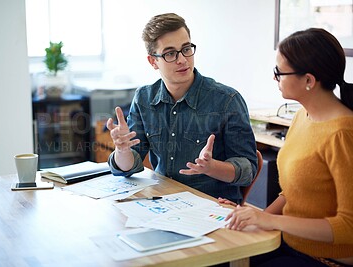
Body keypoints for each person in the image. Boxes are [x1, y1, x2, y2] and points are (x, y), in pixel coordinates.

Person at [222, 28, 353, 266]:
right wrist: (257, 216)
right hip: (289, 242)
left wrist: (271, 222)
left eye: (278, 72)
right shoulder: (303, 116)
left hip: (324, 259)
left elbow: (348, 227)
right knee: (221, 254)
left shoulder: (342, 135)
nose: (275, 78)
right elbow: (295, 192)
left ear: (309, 81)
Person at [105, 13, 257, 203]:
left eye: (186, 49)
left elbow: (248, 169)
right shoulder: (144, 98)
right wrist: (122, 150)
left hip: (211, 206)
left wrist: (211, 167)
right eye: (170, 53)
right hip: (161, 202)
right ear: (153, 61)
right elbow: (128, 168)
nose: (182, 60)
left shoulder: (227, 100)